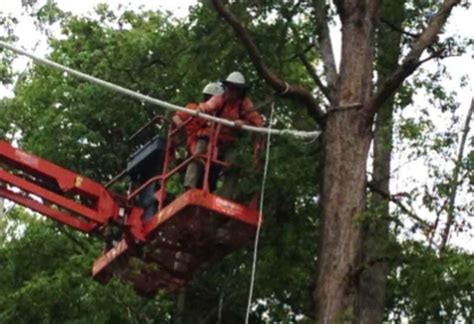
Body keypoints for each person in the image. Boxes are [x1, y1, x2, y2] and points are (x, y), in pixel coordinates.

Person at [194, 71, 264, 199]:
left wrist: (243, 122)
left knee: (233, 166)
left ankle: (226, 197)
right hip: (213, 140)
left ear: (240, 91)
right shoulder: (220, 99)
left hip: (230, 143)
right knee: (198, 156)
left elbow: (257, 122)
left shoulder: (245, 104)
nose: (232, 92)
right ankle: (190, 187)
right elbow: (209, 105)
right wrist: (201, 109)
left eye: (235, 89)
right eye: (230, 88)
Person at [172, 82, 224, 189]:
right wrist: (181, 129)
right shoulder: (193, 108)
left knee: (214, 165)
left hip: (212, 150)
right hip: (195, 144)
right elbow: (176, 118)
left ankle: (207, 189)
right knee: (197, 157)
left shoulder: (218, 120)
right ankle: (189, 184)